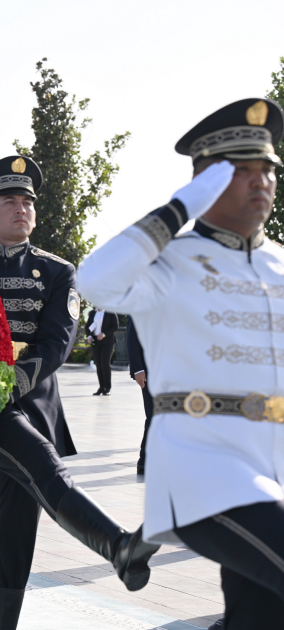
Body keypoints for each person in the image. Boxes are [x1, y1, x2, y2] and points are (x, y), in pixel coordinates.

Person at [78, 97, 284, 630]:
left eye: (267, 170)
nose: (260, 181)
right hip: (205, 468)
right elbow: (95, 280)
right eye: (241, 171)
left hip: (274, 469)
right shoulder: (169, 260)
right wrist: (178, 209)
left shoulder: (279, 261)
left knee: (261, 616)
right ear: (206, 181)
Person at [0, 155, 159, 629]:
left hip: (33, 401)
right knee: (42, 467)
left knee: (17, 521)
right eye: (9, 199)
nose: (20, 207)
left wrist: (12, 381)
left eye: (27, 200)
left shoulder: (58, 272)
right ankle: (117, 546)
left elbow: (57, 341)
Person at [126, 319, 153, 475]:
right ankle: (144, 460)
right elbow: (132, 336)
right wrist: (138, 369)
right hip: (149, 370)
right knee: (154, 414)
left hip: (173, 369)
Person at [85, 307, 119, 395]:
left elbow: (115, 326)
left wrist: (104, 334)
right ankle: (101, 387)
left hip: (107, 341)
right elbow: (87, 326)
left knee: (105, 362)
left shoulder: (110, 311)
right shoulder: (92, 313)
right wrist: (89, 336)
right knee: (98, 364)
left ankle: (108, 387)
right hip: (95, 341)